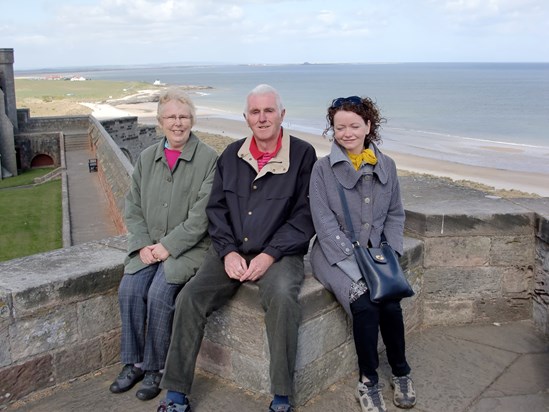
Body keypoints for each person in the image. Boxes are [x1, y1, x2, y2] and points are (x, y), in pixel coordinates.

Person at [157, 84, 317, 412]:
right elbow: (216, 210)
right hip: (231, 251)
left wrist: (269, 254)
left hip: (280, 254)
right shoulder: (231, 155)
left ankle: (282, 397)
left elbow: (304, 216)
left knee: (284, 299)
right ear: (246, 118)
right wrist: (228, 251)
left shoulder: (303, 154)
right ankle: (175, 394)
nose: (262, 118)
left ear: (282, 114)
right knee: (190, 297)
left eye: (269, 111)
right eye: (255, 112)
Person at [109, 87, 218, 401]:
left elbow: (201, 217)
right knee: (129, 288)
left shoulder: (208, 159)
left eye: (184, 116)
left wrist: (168, 247)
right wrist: (143, 244)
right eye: (171, 116)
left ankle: (156, 369)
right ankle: (134, 363)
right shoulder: (146, 157)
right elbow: (133, 206)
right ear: (160, 121)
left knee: (159, 293)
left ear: (192, 120)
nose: (178, 123)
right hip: (149, 246)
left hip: (188, 248)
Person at [308, 96, 416, 412]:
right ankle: (367, 381)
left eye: (355, 125)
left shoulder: (388, 166)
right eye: (340, 127)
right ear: (333, 130)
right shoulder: (321, 170)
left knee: (392, 304)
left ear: (368, 126)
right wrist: (360, 270)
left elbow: (396, 214)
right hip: (332, 255)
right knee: (366, 303)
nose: (347, 133)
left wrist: (391, 255)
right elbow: (324, 223)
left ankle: (401, 371)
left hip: (377, 255)